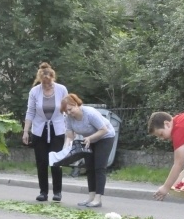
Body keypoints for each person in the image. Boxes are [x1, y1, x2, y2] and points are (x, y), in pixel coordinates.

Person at [22, 62, 69, 202]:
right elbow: (30, 111)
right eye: (44, 83)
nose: (47, 85)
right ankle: (43, 192)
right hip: (39, 130)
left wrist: (70, 129)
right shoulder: (34, 91)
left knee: (56, 161)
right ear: (40, 80)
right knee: (41, 162)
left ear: (53, 78)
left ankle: (57, 192)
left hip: (57, 130)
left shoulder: (62, 89)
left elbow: (68, 109)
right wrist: (26, 131)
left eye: (49, 83)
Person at [62, 94, 116, 208]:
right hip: (89, 140)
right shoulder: (68, 118)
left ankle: (98, 199)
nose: (69, 113)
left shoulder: (90, 113)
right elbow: (70, 136)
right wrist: (64, 151)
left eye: (70, 109)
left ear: (76, 104)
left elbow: (104, 130)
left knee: (99, 167)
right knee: (89, 167)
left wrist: (90, 138)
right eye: (66, 111)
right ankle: (91, 197)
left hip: (105, 137)